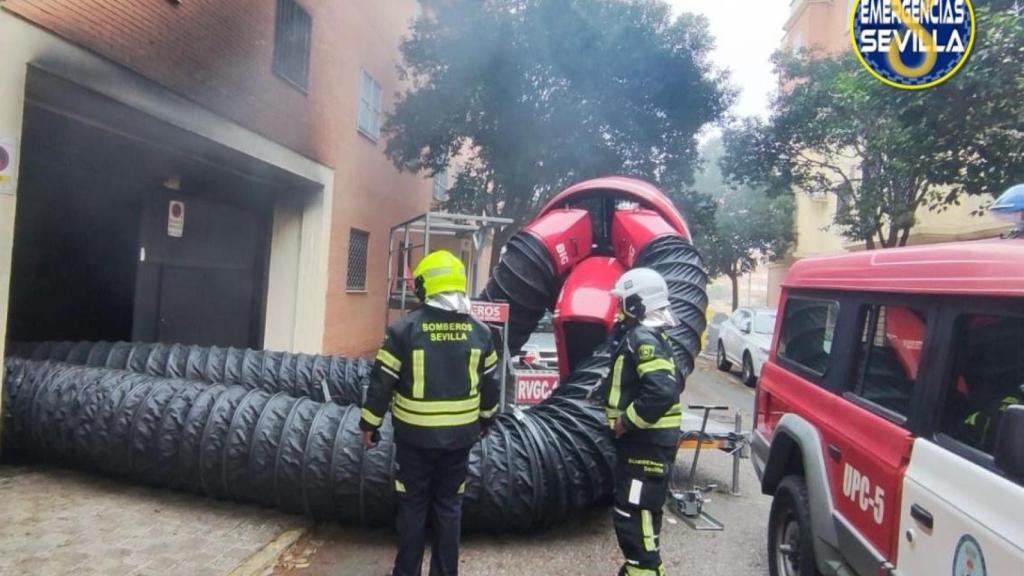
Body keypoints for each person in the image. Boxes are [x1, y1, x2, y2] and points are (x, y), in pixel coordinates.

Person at [359, 250, 500, 576]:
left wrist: (369, 423)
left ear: (426, 286)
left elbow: (382, 384)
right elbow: (491, 387)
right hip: (460, 439)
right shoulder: (481, 332)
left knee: (412, 506)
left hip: (415, 440)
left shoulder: (403, 330)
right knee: (450, 507)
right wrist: (486, 419)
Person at [602, 268, 684, 576]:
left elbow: (662, 390)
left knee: (634, 516)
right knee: (641, 514)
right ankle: (638, 568)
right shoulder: (651, 336)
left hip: (645, 446)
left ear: (637, 304)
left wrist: (626, 421)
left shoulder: (643, 337)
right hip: (647, 446)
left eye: (623, 302)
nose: (618, 309)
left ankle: (645, 570)